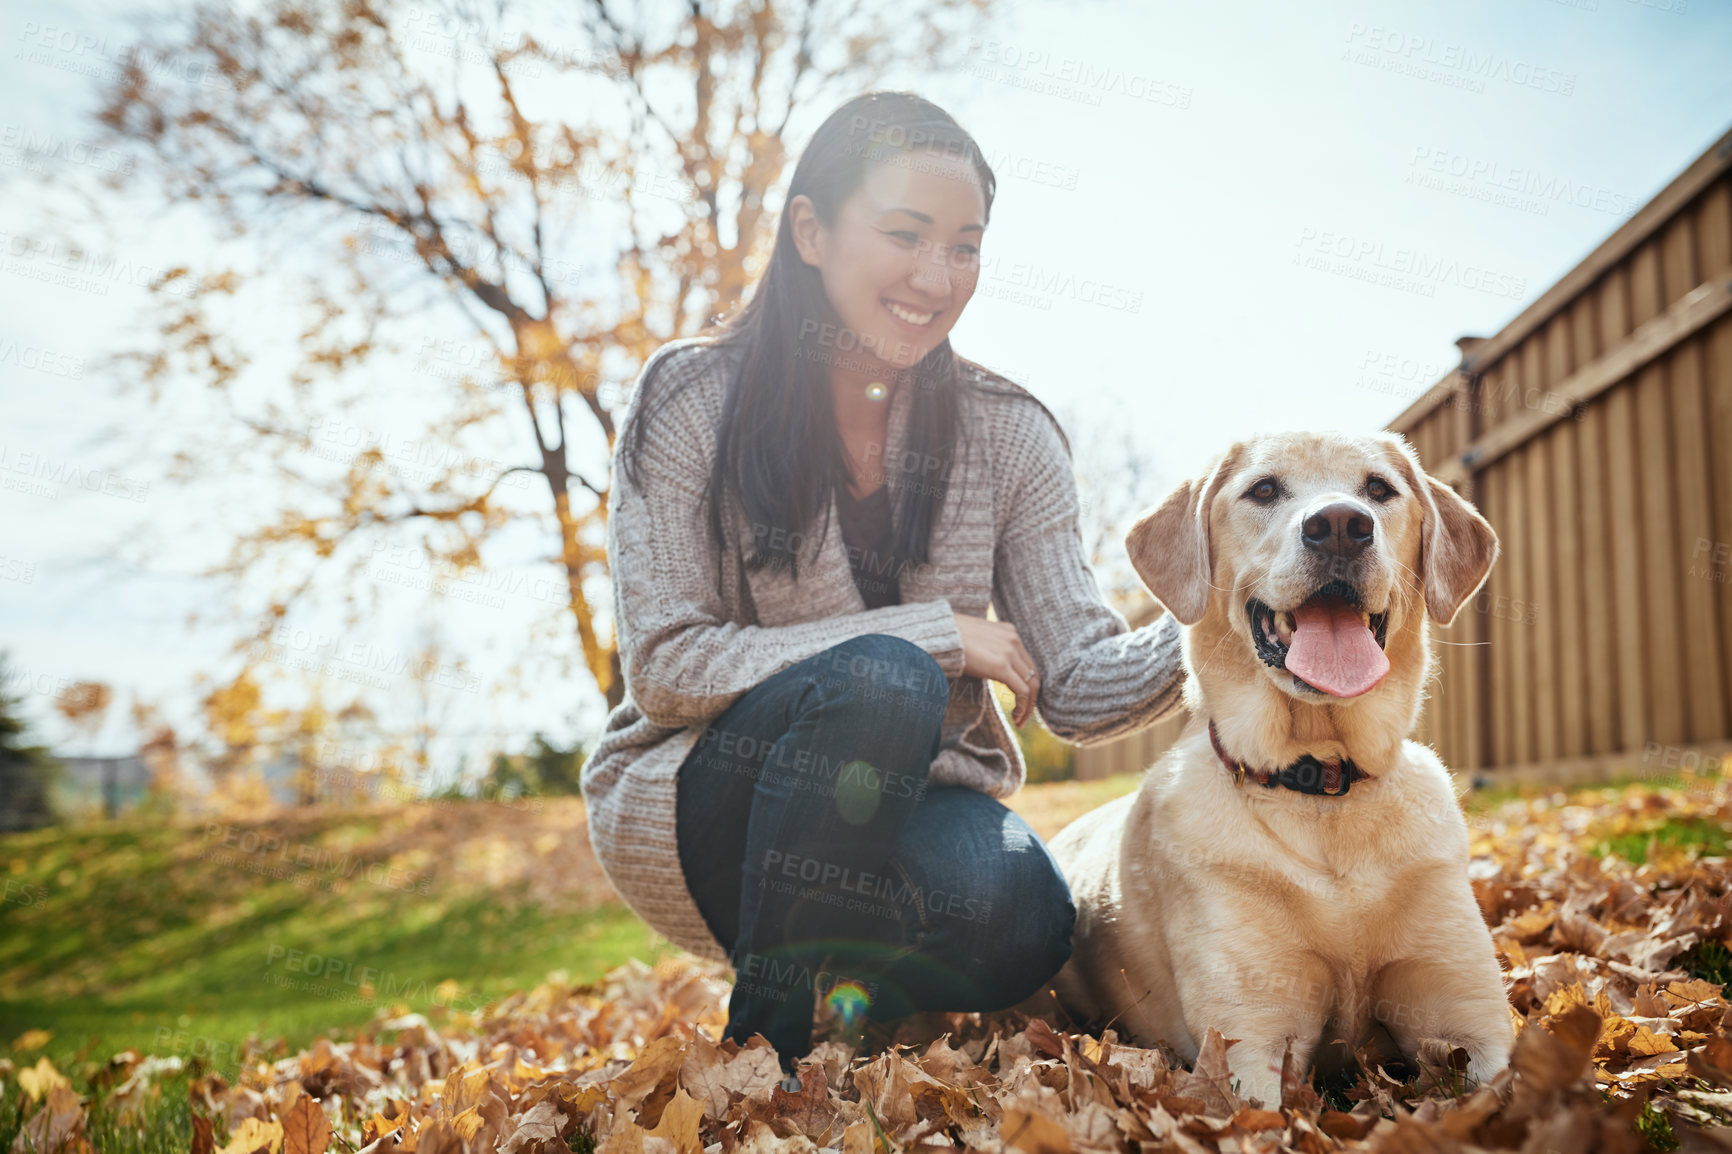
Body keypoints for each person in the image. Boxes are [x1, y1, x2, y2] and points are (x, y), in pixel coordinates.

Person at [579, 90, 1185, 1086]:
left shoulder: (1011, 432)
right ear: (809, 229)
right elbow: (665, 667)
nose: (935, 276)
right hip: (707, 797)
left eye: (964, 246)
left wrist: (1225, 615)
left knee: (1026, 914)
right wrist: (939, 632)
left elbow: (1071, 681)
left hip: (907, 802)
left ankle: (854, 1001)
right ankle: (766, 1035)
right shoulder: (689, 397)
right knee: (887, 678)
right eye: (904, 234)